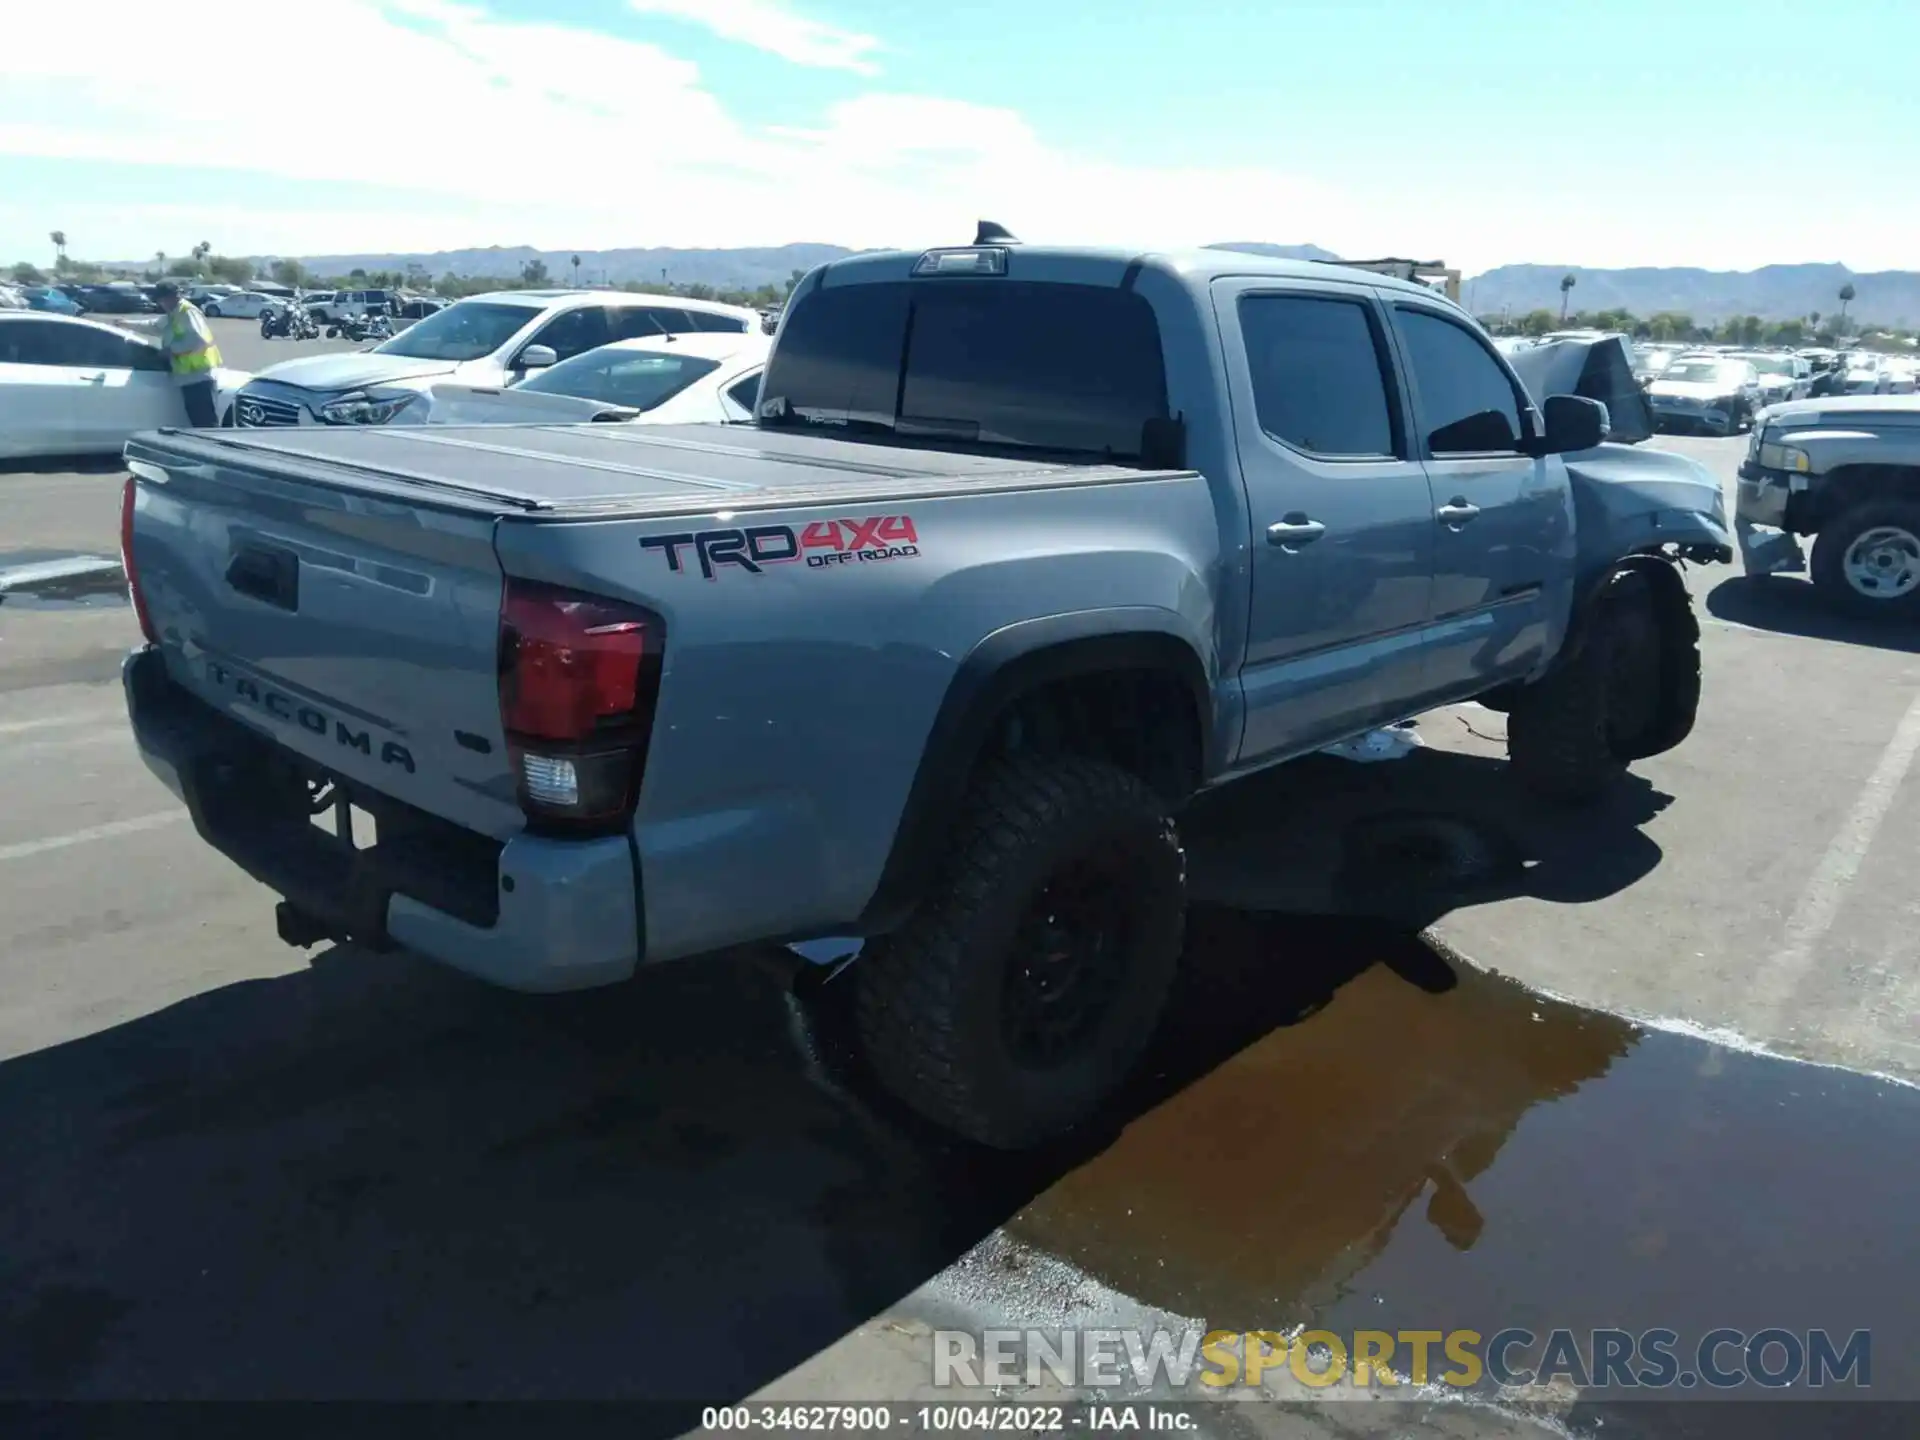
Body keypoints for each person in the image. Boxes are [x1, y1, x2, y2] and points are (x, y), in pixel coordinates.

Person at [153, 280, 223, 426]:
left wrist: (171, 351)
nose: (161, 303)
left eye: (161, 299)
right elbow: (154, 326)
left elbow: (198, 341)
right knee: (199, 422)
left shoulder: (187, 312)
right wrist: (124, 324)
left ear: (170, 297)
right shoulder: (174, 314)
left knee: (206, 424)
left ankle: (209, 448)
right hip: (189, 377)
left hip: (199, 376)